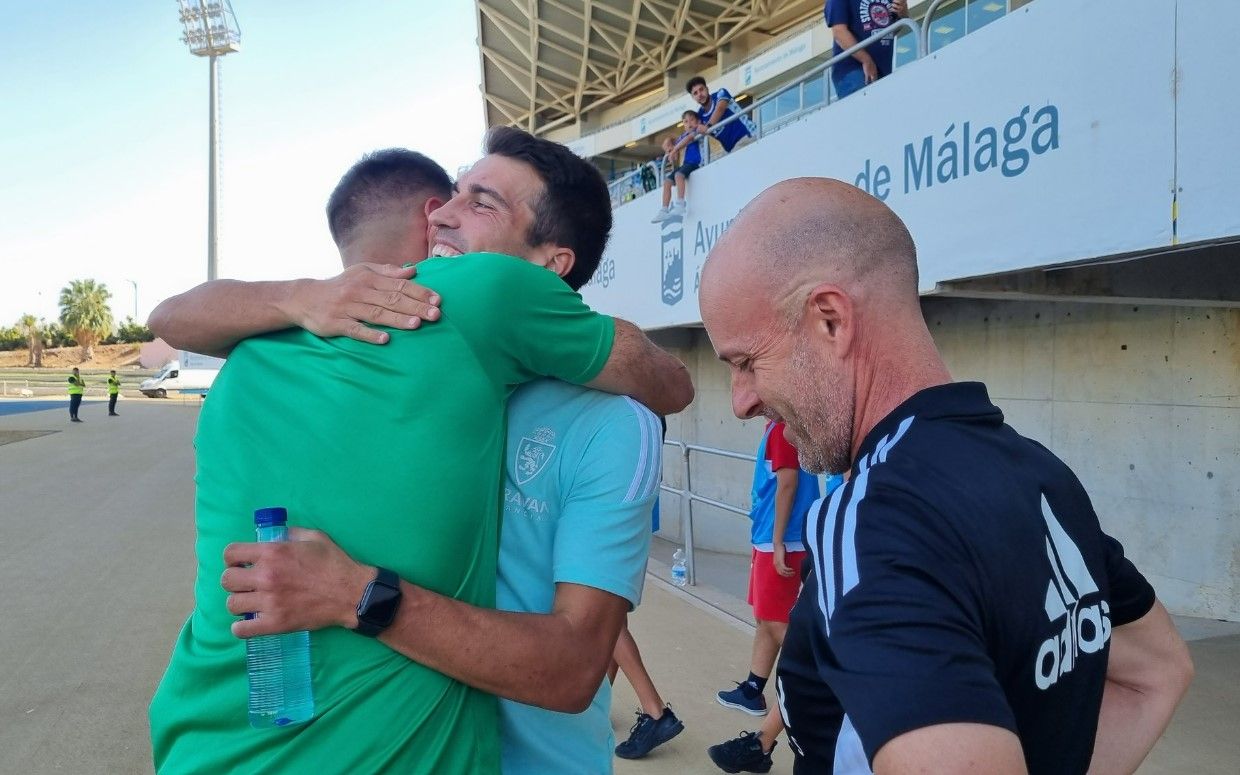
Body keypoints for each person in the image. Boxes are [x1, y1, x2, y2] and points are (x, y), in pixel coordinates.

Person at [148, 135, 694, 775]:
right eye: (452, 192)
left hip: (199, 741)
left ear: (549, 264)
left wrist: (355, 592)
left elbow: (171, 315)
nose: (439, 213)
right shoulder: (409, 322)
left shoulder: (262, 351)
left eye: (481, 202)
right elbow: (675, 385)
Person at [698, 177, 1193, 774]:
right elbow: (1155, 674)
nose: (741, 402)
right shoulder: (1039, 472)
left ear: (830, 320)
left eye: (747, 363)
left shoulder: (870, 518)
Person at [716, 421, 822, 716]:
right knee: (767, 618)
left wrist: (777, 543)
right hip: (775, 538)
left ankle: (823, 686)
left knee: (777, 622)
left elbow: (788, 484)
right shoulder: (782, 426)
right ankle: (752, 689)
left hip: (782, 541)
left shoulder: (782, 429)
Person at [825, 0, 906, 100]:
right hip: (853, 72)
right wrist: (866, 60)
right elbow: (839, 32)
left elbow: (889, 30)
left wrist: (903, 14)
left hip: (882, 71)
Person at [651, 111, 704, 223]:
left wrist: (675, 149)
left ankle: (680, 203)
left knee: (679, 175)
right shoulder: (682, 136)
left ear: (698, 121)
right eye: (685, 121)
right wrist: (670, 147)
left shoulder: (696, 130)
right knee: (667, 182)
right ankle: (664, 210)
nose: (689, 124)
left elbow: (688, 139)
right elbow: (672, 147)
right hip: (685, 164)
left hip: (695, 162)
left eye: (692, 120)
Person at [687, 76, 756, 155]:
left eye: (701, 89)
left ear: (707, 89)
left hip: (748, 136)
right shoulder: (700, 115)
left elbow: (720, 108)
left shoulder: (721, 93)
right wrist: (675, 148)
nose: (699, 94)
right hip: (732, 149)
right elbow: (692, 133)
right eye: (695, 93)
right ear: (693, 97)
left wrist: (708, 127)